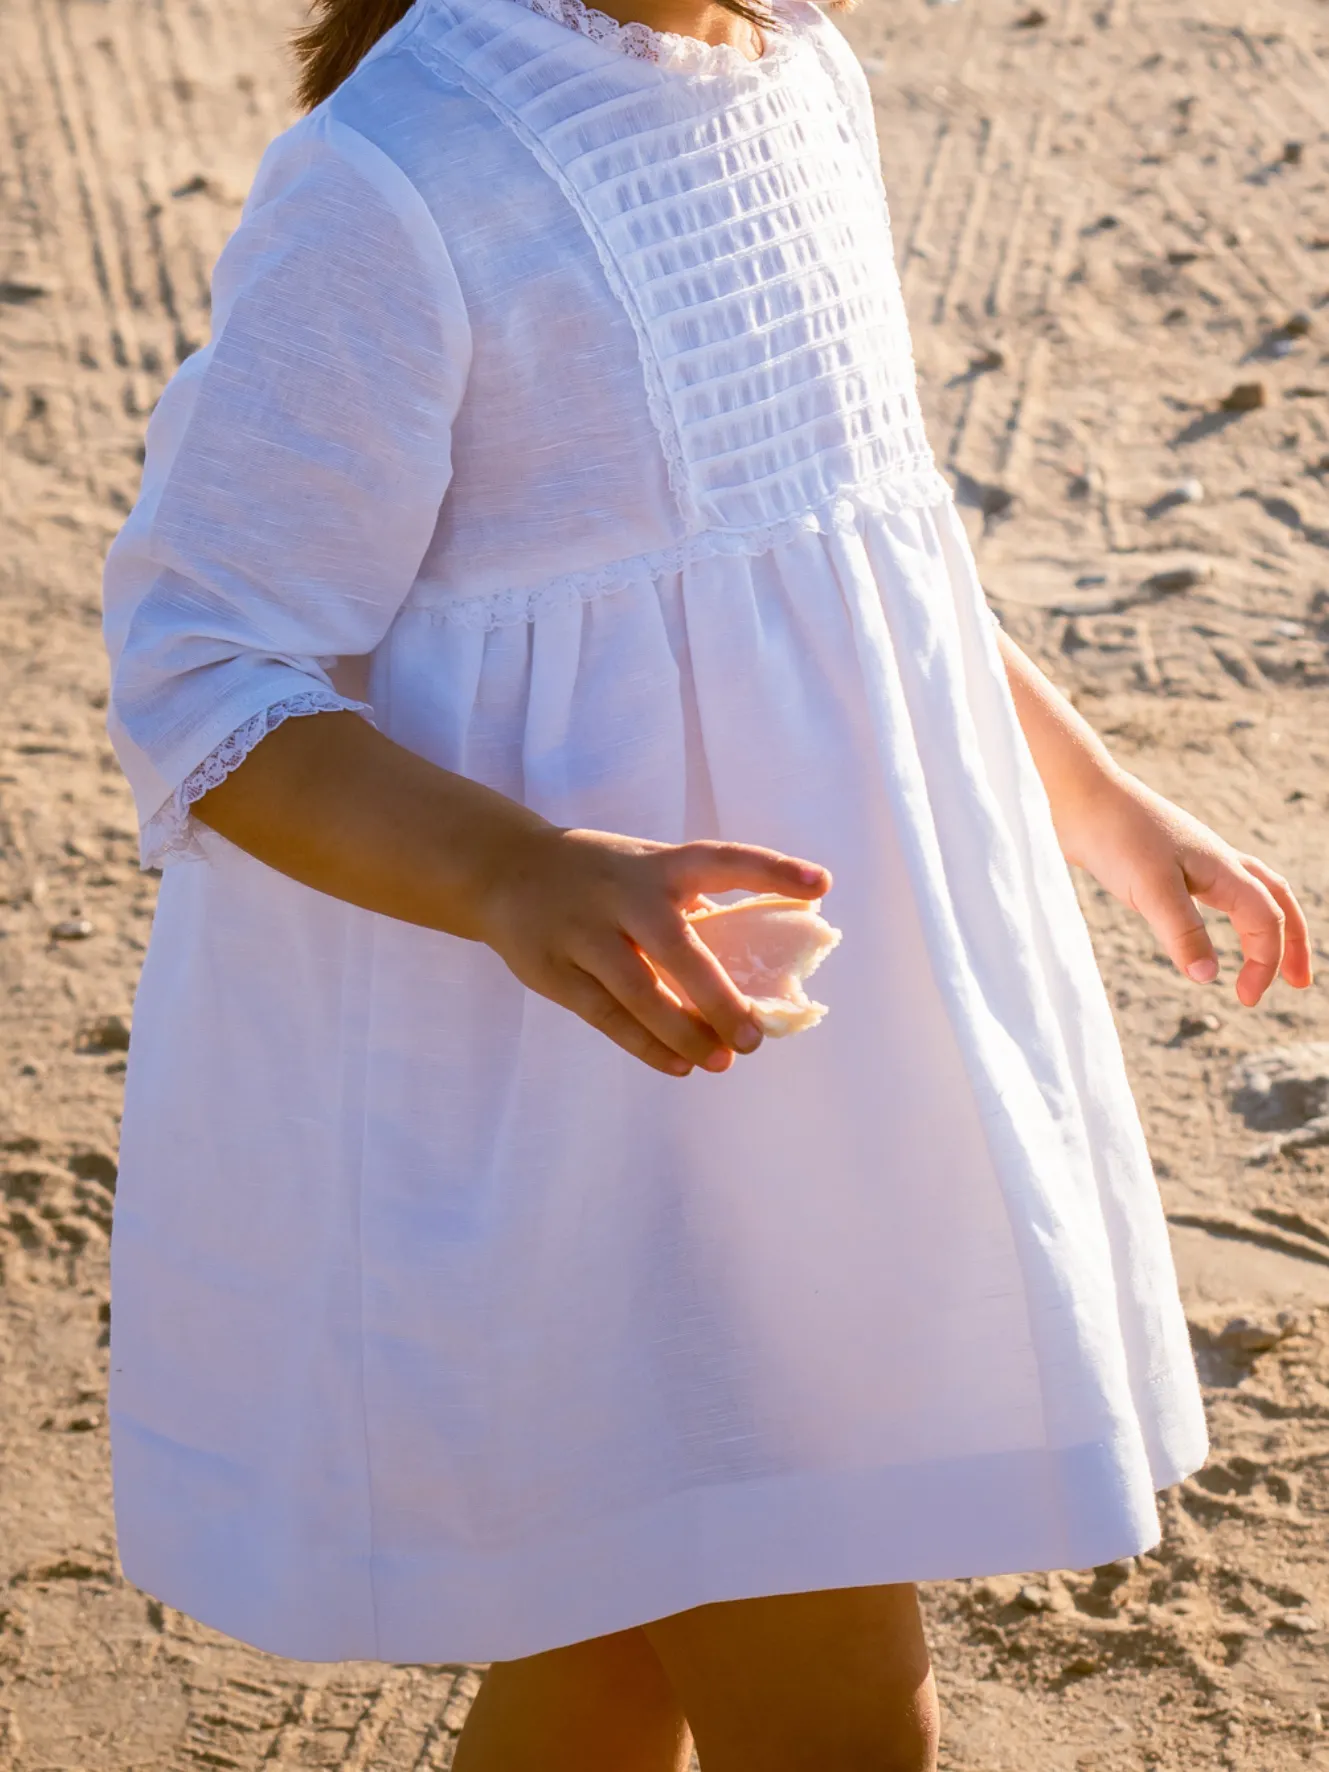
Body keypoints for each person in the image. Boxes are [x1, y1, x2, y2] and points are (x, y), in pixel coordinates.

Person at [100, 1, 1312, 1766]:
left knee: (618, 1651)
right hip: (581, 1089)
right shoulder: (397, 173)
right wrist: (512, 870)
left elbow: (854, 520)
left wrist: (1097, 797)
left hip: (809, 1055)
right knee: (823, 1690)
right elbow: (205, 672)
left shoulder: (798, 68)